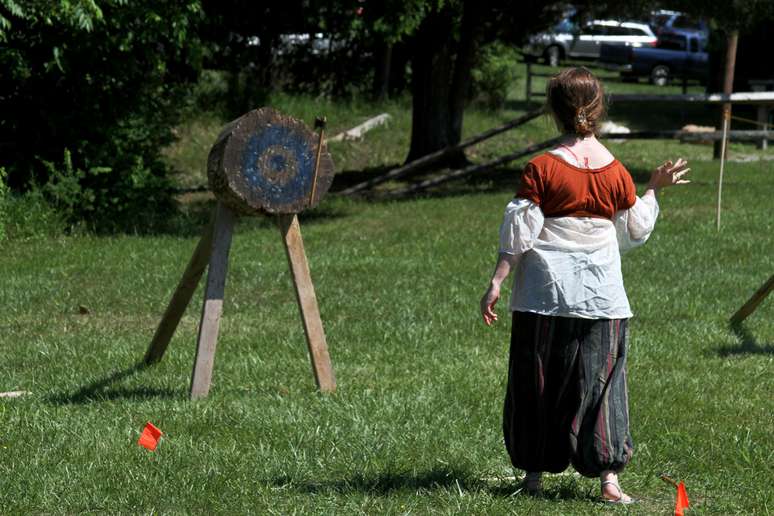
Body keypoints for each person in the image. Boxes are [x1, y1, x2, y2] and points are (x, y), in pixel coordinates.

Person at [479, 67, 690, 504]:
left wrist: (497, 281)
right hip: (602, 297)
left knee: (537, 381)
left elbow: (520, 234)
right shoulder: (615, 172)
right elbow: (634, 229)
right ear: (598, 108)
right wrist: (653, 189)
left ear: (553, 112)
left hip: (544, 297)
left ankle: (534, 477)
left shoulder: (541, 168)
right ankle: (609, 481)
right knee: (604, 383)